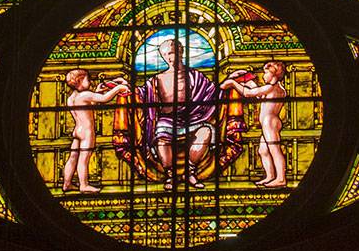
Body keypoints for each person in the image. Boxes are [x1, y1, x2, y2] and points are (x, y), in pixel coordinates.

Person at [135, 38, 220, 188]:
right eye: (164, 54)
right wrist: (123, 87)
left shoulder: (195, 76)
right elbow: (141, 94)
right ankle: (171, 175)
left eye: (171, 53)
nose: (168, 57)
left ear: (181, 52)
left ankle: (189, 171)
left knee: (206, 132)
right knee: (161, 139)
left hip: (192, 117)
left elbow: (212, 92)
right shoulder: (157, 79)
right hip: (167, 119)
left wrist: (230, 83)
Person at [220, 61, 288, 188]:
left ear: (273, 75)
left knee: (274, 150)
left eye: (266, 73)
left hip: (269, 122)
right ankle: (270, 176)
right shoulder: (278, 89)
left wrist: (233, 83)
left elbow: (248, 93)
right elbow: (260, 96)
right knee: (263, 151)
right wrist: (249, 82)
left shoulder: (270, 87)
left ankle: (281, 178)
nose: (263, 75)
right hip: (271, 122)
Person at [62, 69, 130, 194]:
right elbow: (104, 99)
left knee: (73, 157)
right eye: (88, 79)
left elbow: (90, 104)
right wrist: (118, 88)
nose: (90, 82)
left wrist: (97, 91)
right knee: (84, 158)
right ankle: (84, 185)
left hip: (77, 131)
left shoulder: (72, 98)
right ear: (79, 81)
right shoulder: (85, 95)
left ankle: (66, 184)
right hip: (86, 132)